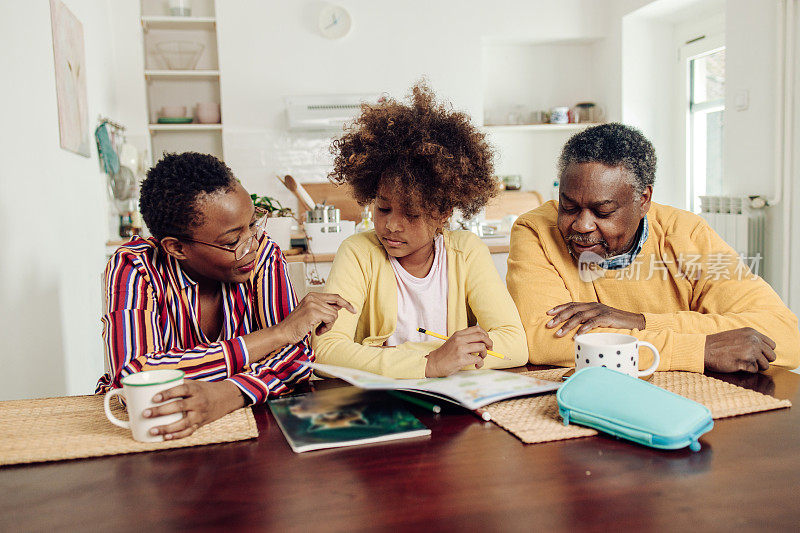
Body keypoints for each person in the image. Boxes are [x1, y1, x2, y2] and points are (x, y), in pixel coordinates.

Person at [96, 152, 354, 440]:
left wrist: (229, 393)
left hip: (252, 427)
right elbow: (133, 378)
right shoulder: (135, 267)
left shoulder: (263, 253)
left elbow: (296, 358)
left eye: (254, 224)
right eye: (232, 241)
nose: (251, 245)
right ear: (177, 248)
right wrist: (278, 334)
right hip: (155, 432)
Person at [507, 123, 800, 373]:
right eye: (568, 206)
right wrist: (700, 350)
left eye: (603, 212)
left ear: (643, 199)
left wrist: (640, 321)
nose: (582, 225)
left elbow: (784, 335)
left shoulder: (686, 233)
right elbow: (544, 341)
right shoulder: (535, 230)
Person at [312, 83, 528, 377]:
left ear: (443, 213)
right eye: (383, 208)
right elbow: (326, 350)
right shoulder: (358, 253)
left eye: (411, 214)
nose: (391, 225)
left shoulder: (466, 252)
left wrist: (390, 357)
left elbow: (515, 345)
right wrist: (432, 361)